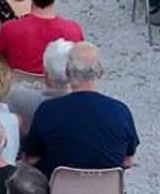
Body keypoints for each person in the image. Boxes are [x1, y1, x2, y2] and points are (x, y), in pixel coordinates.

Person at [20, 42, 137, 176]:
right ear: (101, 71)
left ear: (68, 71)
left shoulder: (48, 110)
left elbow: (31, 159)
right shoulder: (120, 111)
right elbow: (128, 161)